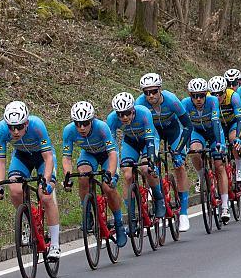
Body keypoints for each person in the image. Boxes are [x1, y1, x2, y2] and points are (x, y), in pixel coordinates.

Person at [0, 101, 61, 259]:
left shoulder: (37, 125)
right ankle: (29, 222)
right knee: (15, 190)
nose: (15, 131)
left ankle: (56, 245)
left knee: (45, 196)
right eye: (12, 127)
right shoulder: (1, 130)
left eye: (20, 127)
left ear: (27, 123)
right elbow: (0, 161)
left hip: (43, 158)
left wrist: (46, 180)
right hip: (22, 157)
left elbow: (48, 157)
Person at [62, 101, 127, 247]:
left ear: (92, 120)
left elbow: (112, 153)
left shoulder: (102, 127)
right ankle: (87, 214)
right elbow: (66, 157)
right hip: (88, 154)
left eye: (85, 123)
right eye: (78, 123)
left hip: (107, 155)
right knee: (83, 176)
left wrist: (110, 173)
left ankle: (119, 223)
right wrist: (67, 176)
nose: (82, 127)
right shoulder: (69, 130)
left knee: (108, 187)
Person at [136, 73, 194, 231]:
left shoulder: (172, 100)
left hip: (173, 131)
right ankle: (156, 191)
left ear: (160, 89)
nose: (150, 95)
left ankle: (183, 213)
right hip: (153, 133)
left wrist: (178, 150)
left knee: (179, 165)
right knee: (148, 164)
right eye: (146, 92)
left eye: (154, 91)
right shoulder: (140, 104)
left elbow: (188, 126)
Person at [107, 92, 165, 222]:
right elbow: (112, 148)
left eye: (127, 113)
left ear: (133, 110)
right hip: (130, 142)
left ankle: (159, 199)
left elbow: (150, 140)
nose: (124, 117)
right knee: (127, 175)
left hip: (148, 140)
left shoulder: (144, 112)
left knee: (146, 169)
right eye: (120, 114)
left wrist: (151, 161)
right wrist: (114, 171)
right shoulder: (112, 119)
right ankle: (131, 215)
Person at [181, 78, 230, 223]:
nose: (198, 99)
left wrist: (220, 143)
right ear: (190, 96)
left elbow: (215, 122)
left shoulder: (213, 101)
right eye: (194, 96)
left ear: (206, 94)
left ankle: (225, 205)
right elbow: (183, 126)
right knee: (194, 151)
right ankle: (202, 176)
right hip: (197, 132)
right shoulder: (185, 104)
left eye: (201, 95)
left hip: (213, 132)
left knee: (219, 165)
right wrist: (183, 146)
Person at [209, 75, 241, 182]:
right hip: (218, 125)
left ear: (225, 91)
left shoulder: (233, 96)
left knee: (233, 139)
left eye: (220, 94)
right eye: (213, 94)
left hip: (233, 123)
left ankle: (239, 167)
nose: (217, 97)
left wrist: (238, 137)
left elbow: (240, 120)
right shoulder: (207, 99)